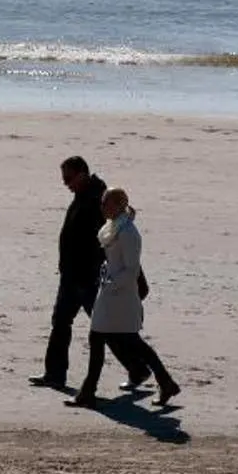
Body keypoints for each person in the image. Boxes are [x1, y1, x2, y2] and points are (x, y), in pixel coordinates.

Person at [70, 187, 181, 410]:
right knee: (103, 338)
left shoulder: (129, 233)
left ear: (120, 205)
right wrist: (106, 272)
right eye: (102, 202)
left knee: (129, 341)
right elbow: (115, 261)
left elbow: (132, 270)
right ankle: (89, 390)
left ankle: (89, 391)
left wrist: (111, 282)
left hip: (120, 297)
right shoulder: (113, 228)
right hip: (109, 294)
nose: (102, 207)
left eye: (107, 203)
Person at [33, 156, 106, 391]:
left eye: (68, 178)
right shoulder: (83, 195)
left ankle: (138, 368)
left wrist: (91, 269)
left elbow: (104, 240)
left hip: (87, 276)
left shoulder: (98, 199)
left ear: (82, 174)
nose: (65, 184)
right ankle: (54, 374)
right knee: (61, 322)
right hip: (72, 275)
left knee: (108, 328)